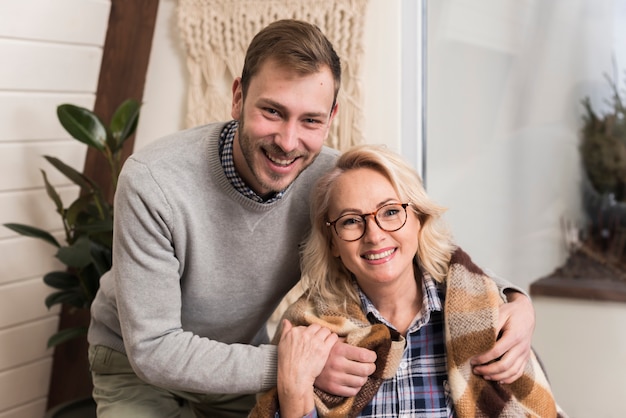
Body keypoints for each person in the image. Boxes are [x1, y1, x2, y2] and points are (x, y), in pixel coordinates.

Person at [87, 19, 536, 417]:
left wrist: (513, 300)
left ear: (332, 118)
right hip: (135, 366)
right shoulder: (153, 180)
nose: (288, 141)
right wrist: (298, 363)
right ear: (238, 97)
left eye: (310, 121)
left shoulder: (330, 181)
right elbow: (153, 348)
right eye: (272, 111)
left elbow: (418, 246)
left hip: (239, 356)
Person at [251, 144, 565, 418]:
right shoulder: (307, 333)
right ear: (332, 242)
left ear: (418, 219)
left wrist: (521, 302)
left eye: (390, 213)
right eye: (350, 221)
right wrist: (295, 390)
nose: (374, 235)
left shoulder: (484, 316)